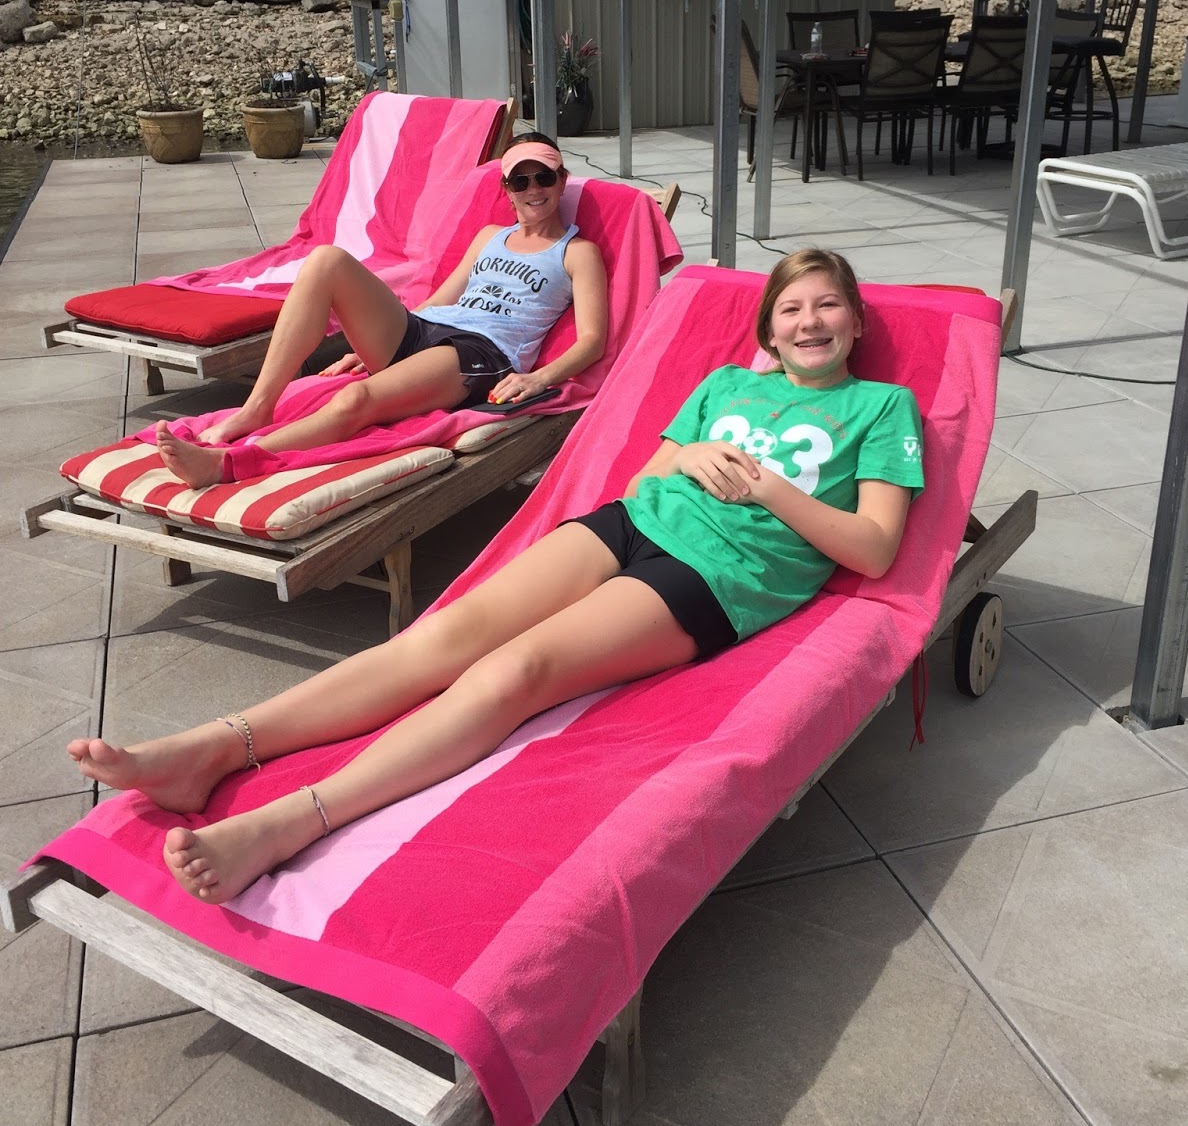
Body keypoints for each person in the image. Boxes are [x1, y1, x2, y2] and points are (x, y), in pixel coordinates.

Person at [68, 249, 925, 905]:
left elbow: (874, 549)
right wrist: (692, 454)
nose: (810, 321)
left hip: (718, 575)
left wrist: (767, 488)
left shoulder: (882, 408)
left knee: (516, 672)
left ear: (855, 322)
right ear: (768, 332)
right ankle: (215, 748)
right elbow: (643, 482)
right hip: (633, 525)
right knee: (442, 636)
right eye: (791, 309)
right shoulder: (725, 383)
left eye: (827, 305)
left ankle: (288, 822)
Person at [153, 133, 609, 489]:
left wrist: (539, 378)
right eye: (520, 181)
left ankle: (227, 464)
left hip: (479, 353)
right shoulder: (489, 235)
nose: (533, 189)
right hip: (427, 330)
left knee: (354, 400)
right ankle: (256, 408)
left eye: (544, 177)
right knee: (326, 259)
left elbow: (593, 340)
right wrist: (366, 344)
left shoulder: (577, 252)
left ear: (562, 180)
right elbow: (439, 302)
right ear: (507, 189)